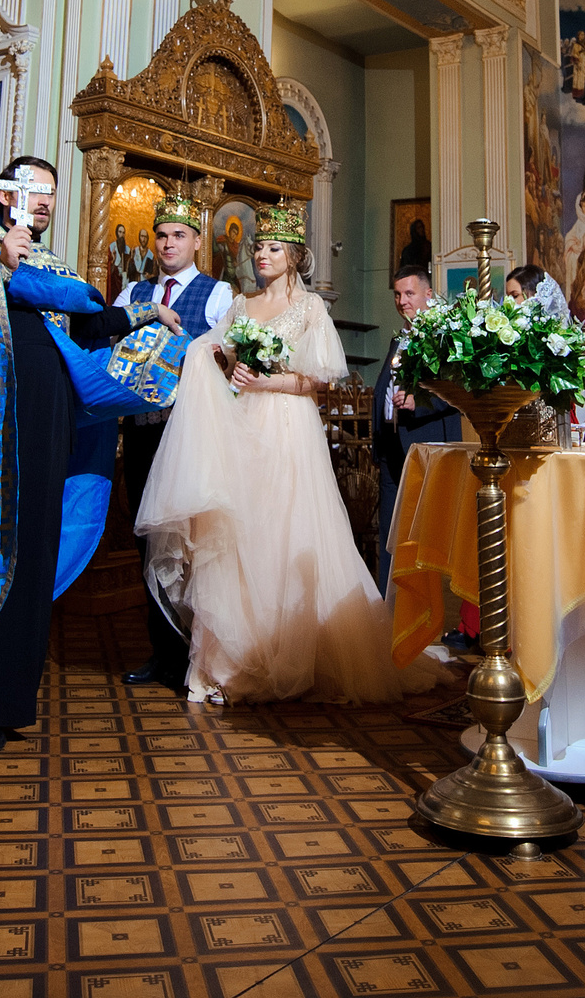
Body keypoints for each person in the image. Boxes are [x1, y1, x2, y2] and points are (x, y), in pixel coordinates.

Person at [0, 156, 182, 753]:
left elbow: (85, 326)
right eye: (34, 190)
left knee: (33, 547)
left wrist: (146, 315)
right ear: (6, 191)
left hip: (50, 417)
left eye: (52, 194)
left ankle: (9, 698)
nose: (44, 201)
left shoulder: (52, 262)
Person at [136, 205, 443, 704]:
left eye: (273, 248)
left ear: (294, 256)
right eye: (258, 247)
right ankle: (233, 658)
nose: (262, 255)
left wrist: (264, 380)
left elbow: (318, 382)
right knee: (241, 531)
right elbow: (211, 353)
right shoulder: (240, 305)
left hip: (287, 428)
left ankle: (294, 648)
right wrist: (216, 365)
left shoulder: (311, 309)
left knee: (286, 527)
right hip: (240, 429)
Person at [114, 194, 234, 695]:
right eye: (162, 235)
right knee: (151, 542)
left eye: (179, 235)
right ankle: (161, 651)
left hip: (188, 432)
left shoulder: (216, 292)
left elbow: (228, 354)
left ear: (197, 242)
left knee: (193, 542)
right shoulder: (134, 291)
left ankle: (199, 654)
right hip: (141, 430)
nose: (168, 244)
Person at [373, 264, 463, 589]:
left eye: (409, 293)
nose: (402, 301)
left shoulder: (447, 335)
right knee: (390, 538)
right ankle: (388, 614)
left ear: (428, 293)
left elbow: (460, 389)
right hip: (392, 449)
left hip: (426, 449)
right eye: (397, 294)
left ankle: (420, 616)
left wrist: (419, 402)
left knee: (423, 539)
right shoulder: (399, 337)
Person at [505, 265, 585, 423]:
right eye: (507, 296)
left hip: (552, 418)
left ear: (533, 294)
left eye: (514, 295)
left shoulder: (556, 338)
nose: (509, 302)